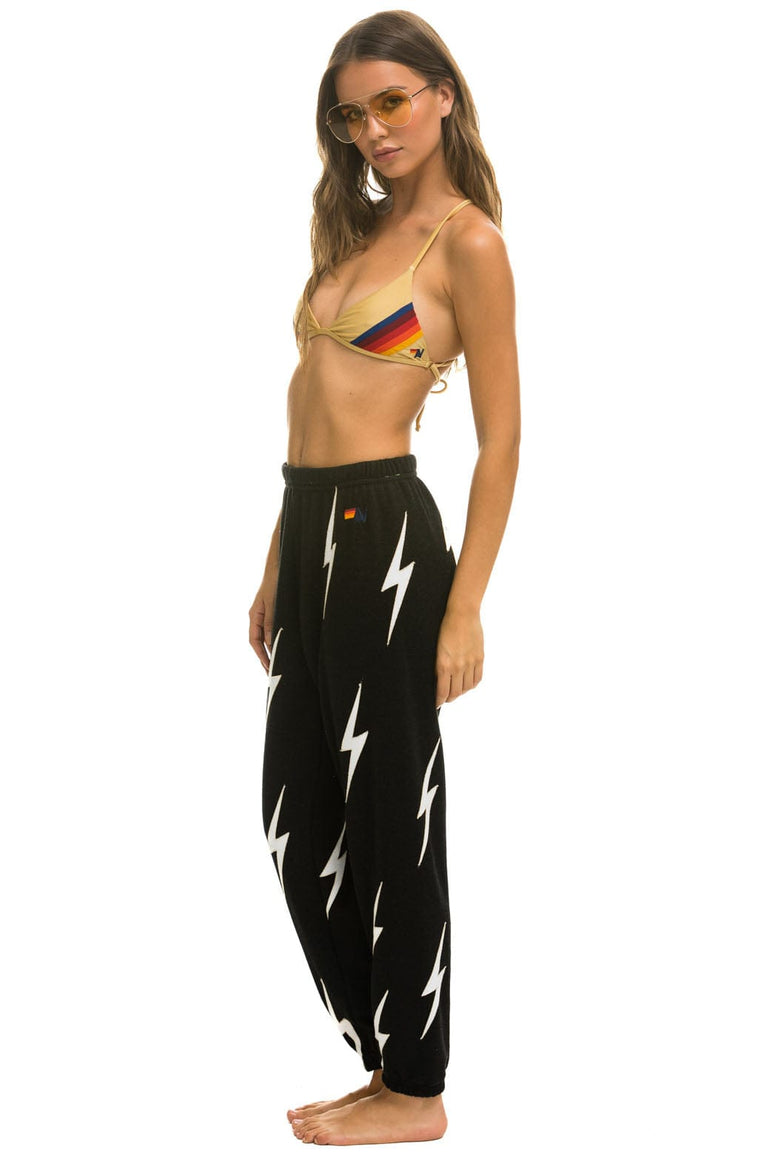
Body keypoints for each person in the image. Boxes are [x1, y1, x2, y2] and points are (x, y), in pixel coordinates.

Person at [248, 10, 520, 1146]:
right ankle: (387, 1058)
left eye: (391, 102)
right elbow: (309, 415)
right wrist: (277, 557)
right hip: (311, 527)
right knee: (294, 814)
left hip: (383, 547)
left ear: (442, 94)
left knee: (391, 813)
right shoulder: (355, 236)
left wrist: (465, 606)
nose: (372, 130)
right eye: (353, 116)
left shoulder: (465, 244)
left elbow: (501, 441)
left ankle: (416, 1088)